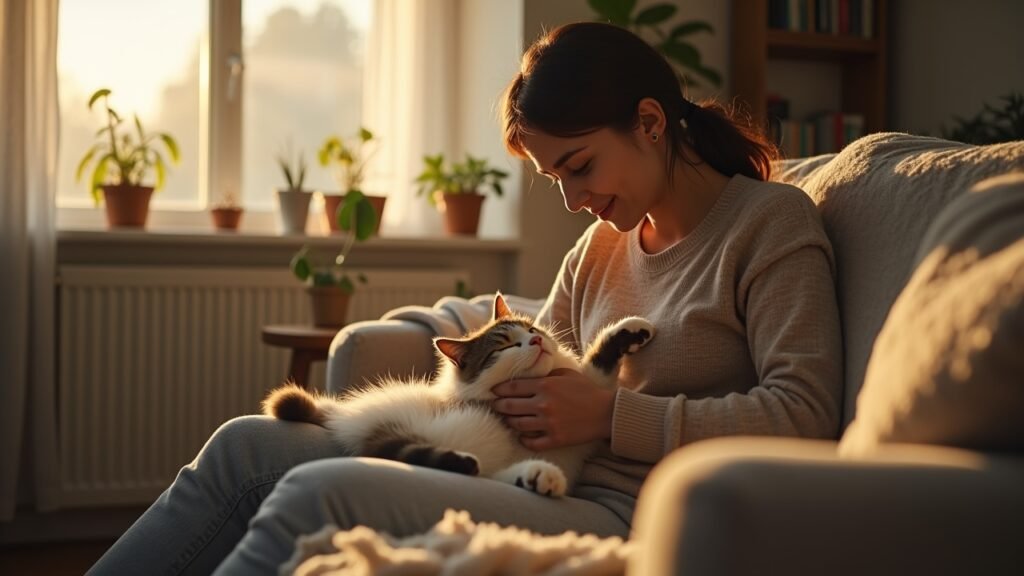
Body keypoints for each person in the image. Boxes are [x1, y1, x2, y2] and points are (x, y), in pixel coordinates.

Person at [88, 22, 842, 575]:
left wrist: (614, 414)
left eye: (580, 167)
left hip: (619, 508)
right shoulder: (600, 251)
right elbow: (521, 385)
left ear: (649, 122)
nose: (574, 200)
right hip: (516, 467)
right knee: (243, 444)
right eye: (558, 181)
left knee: (321, 494)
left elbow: (807, 415)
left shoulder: (769, 226)